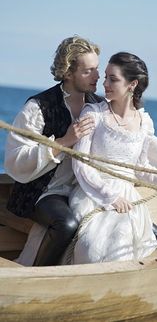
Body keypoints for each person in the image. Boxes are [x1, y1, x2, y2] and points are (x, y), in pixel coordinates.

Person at [64, 52, 157, 264]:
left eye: (112, 79)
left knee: (125, 243)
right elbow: (81, 165)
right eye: (105, 77)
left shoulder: (144, 123)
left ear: (132, 84)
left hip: (129, 199)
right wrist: (110, 197)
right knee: (92, 247)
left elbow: (141, 170)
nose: (105, 83)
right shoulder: (93, 114)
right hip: (93, 194)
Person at [4, 35, 103, 266]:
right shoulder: (38, 107)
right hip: (43, 191)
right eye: (89, 70)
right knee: (67, 224)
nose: (98, 76)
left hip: (85, 191)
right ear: (68, 73)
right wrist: (64, 141)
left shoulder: (99, 106)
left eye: (97, 69)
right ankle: (39, 278)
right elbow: (14, 161)